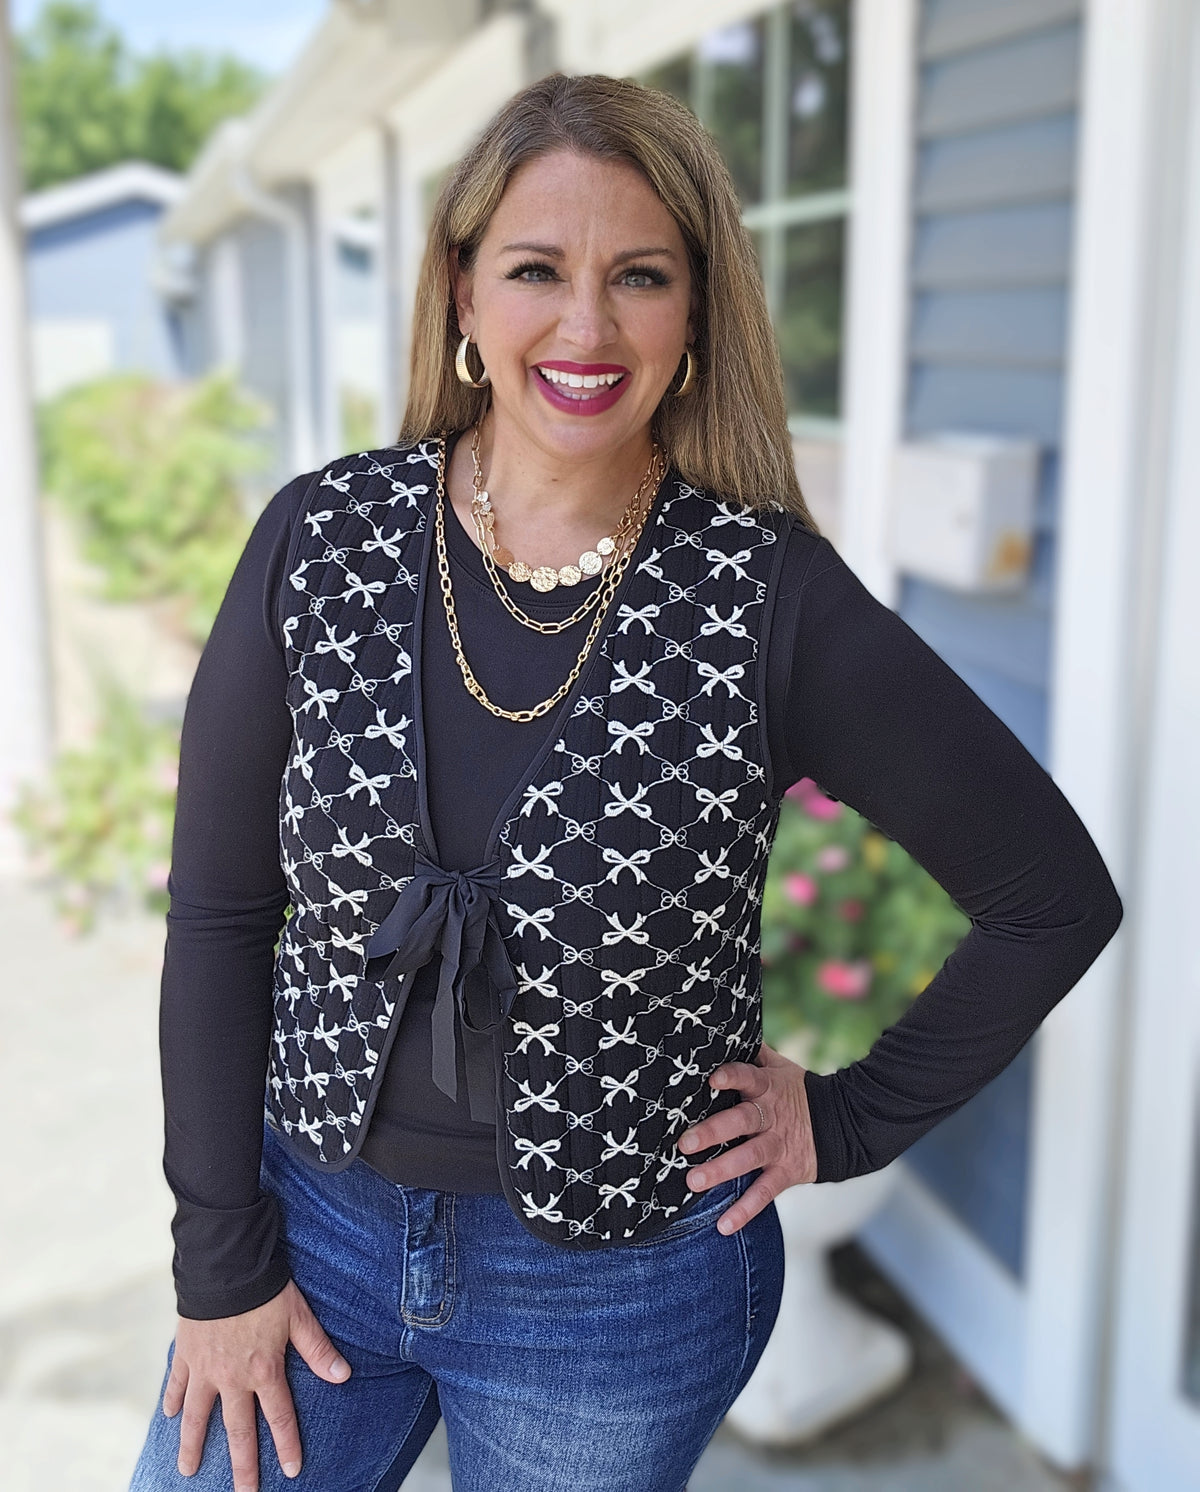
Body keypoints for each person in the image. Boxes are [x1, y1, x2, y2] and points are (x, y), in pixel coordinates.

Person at [129, 72, 1123, 1492]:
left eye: (640, 278)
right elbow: (223, 911)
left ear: (695, 314)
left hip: (620, 1300)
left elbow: (1050, 896)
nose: (586, 327)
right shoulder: (319, 542)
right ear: (464, 292)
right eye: (537, 270)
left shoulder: (768, 600)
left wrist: (840, 1121)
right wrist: (218, 1259)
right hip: (309, 1234)